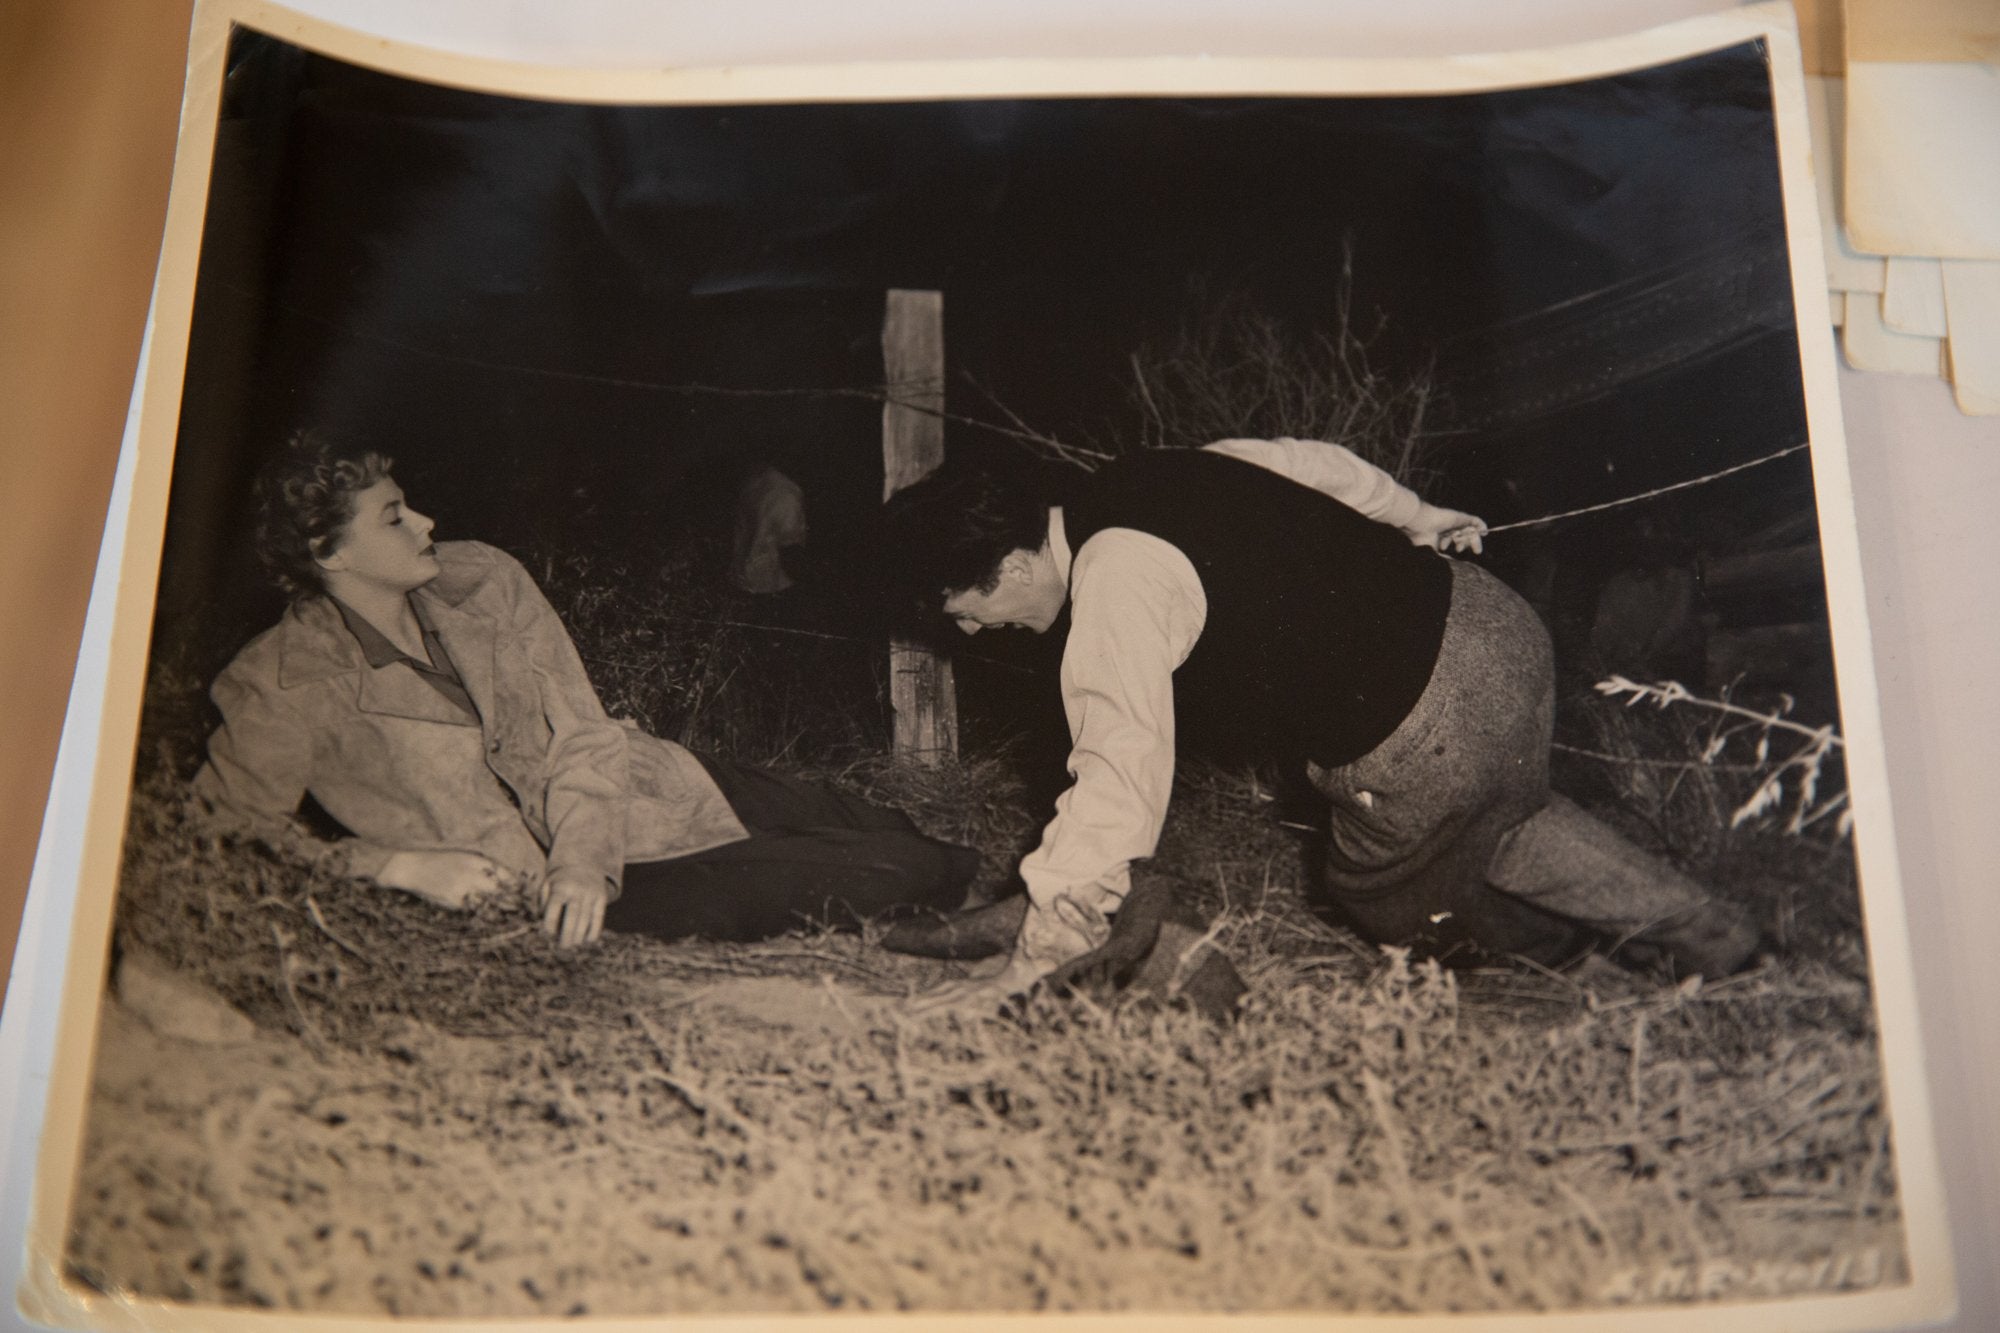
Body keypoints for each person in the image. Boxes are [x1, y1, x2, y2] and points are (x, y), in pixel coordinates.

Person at [883, 437, 1762, 1006]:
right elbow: (1317, 465)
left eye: (965, 611)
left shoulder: (1115, 582)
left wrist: (1047, 944)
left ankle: (1563, 974)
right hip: (1498, 628)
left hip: (1425, 722)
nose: (974, 632)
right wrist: (1419, 516)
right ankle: (1719, 938)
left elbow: (1119, 766)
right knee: (1508, 818)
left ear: (1009, 567)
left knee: (1383, 891)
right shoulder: (1148, 472)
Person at [193, 431, 979, 947]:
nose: (426, 521)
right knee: (902, 870)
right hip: (592, 883)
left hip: (626, 785)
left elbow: (582, 727)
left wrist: (581, 855)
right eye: (394, 517)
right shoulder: (281, 680)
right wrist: (394, 866)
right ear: (330, 552)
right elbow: (224, 831)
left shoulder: (483, 578)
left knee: (905, 832)